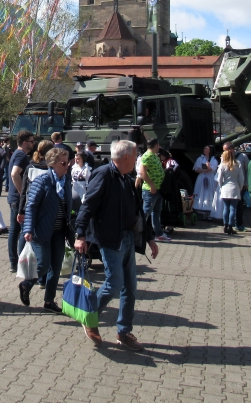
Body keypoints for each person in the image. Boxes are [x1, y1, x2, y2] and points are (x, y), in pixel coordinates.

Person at [74, 140, 159, 351]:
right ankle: (89, 314)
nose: (137, 161)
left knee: (130, 287)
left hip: (129, 238)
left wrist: (149, 237)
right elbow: (88, 205)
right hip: (110, 239)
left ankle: (124, 331)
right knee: (114, 282)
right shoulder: (103, 174)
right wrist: (80, 234)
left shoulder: (127, 178)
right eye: (135, 156)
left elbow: (138, 210)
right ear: (126, 158)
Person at [20, 148, 72, 312]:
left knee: (56, 267)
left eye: (68, 162)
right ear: (53, 164)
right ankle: (25, 285)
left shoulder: (66, 181)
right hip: (41, 231)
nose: (67, 166)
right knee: (43, 264)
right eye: (63, 163)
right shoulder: (42, 181)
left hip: (59, 232)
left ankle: (49, 301)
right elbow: (31, 206)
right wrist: (28, 228)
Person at [7, 130, 35, 272]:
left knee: (15, 230)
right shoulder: (21, 155)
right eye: (31, 141)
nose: (33, 143)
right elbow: (14, 173)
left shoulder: (17, 154)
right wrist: (22, 193)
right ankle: (19, 263)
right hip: (17, 200)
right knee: (23, 230)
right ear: (25, 143)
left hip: (13, 198)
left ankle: (14, 262)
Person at [138, 139, 169, 242]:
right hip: (150, 191)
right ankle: (137, 234)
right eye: (158, 145)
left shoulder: (154, 155)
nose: (159, 147)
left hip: (158, 190)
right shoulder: (147, 156)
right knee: (145, 212)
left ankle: (159, 233)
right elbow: (142, 172)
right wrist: (152, 185)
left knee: (156, 212)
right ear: (156, 145)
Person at [217, 148, 244, 235]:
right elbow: (241, 178)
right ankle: (230, 226)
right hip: (235, 187)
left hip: (225, 188)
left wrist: (221, 186)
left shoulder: (222, 165)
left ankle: (225, 225)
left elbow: (219, 178)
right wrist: (240, 187)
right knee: (233, 208)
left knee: (226, 208)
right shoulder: (238, 164)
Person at [192, 146, 218, 220]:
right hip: (201, 177)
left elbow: (212, 169)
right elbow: (196, 169)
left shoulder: (213, 159)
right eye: (204, 148)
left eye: (206, 148)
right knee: (200, 192)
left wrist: (208, 167)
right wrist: (204, 170)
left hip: (210, 178)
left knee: (209, 193)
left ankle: (209, 211)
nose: (204, 150)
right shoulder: (200, 158)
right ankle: (200, 210)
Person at [70, 151, 91, 215]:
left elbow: (88, 180)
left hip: (82, 189)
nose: (76, 160)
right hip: (74, 188)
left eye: (78, 159)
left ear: (83, 159)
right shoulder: (74, 168)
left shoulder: (86, 169)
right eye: (75, 158)